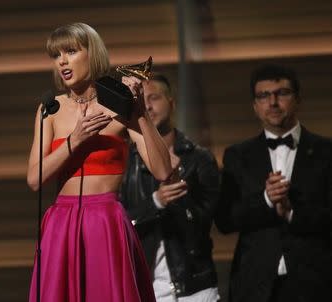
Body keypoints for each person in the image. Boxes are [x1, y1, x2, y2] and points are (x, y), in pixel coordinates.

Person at [26, 23, 172, 302]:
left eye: (70, 51)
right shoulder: (50, 110)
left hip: (104, 221)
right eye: (56, 55)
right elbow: (35, 179)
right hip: (60, 223)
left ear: (92, 54)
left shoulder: (118, 105)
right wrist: (74, 140)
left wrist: (140, 114)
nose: (63, 62)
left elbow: (163, 170)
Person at [215, 64, 332, 302]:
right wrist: (266, 200)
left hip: (316, 283)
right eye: (264, 95)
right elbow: (225, 220)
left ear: (298, 99)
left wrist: (291, 212)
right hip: (254, 285)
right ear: (255, 105)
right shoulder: (237, 155)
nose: (273, 102)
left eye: (282, 93)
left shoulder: (326, 152)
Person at [120, 73, 220, 302]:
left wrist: (177, 193)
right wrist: (156, 202)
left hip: (196, 286)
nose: (147, 105)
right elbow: (119, 220)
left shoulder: (199, 158)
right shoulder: (127, 160)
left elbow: (208, 220)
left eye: (154, 97)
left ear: (172, 103)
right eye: (141, 99)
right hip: (145, 284)